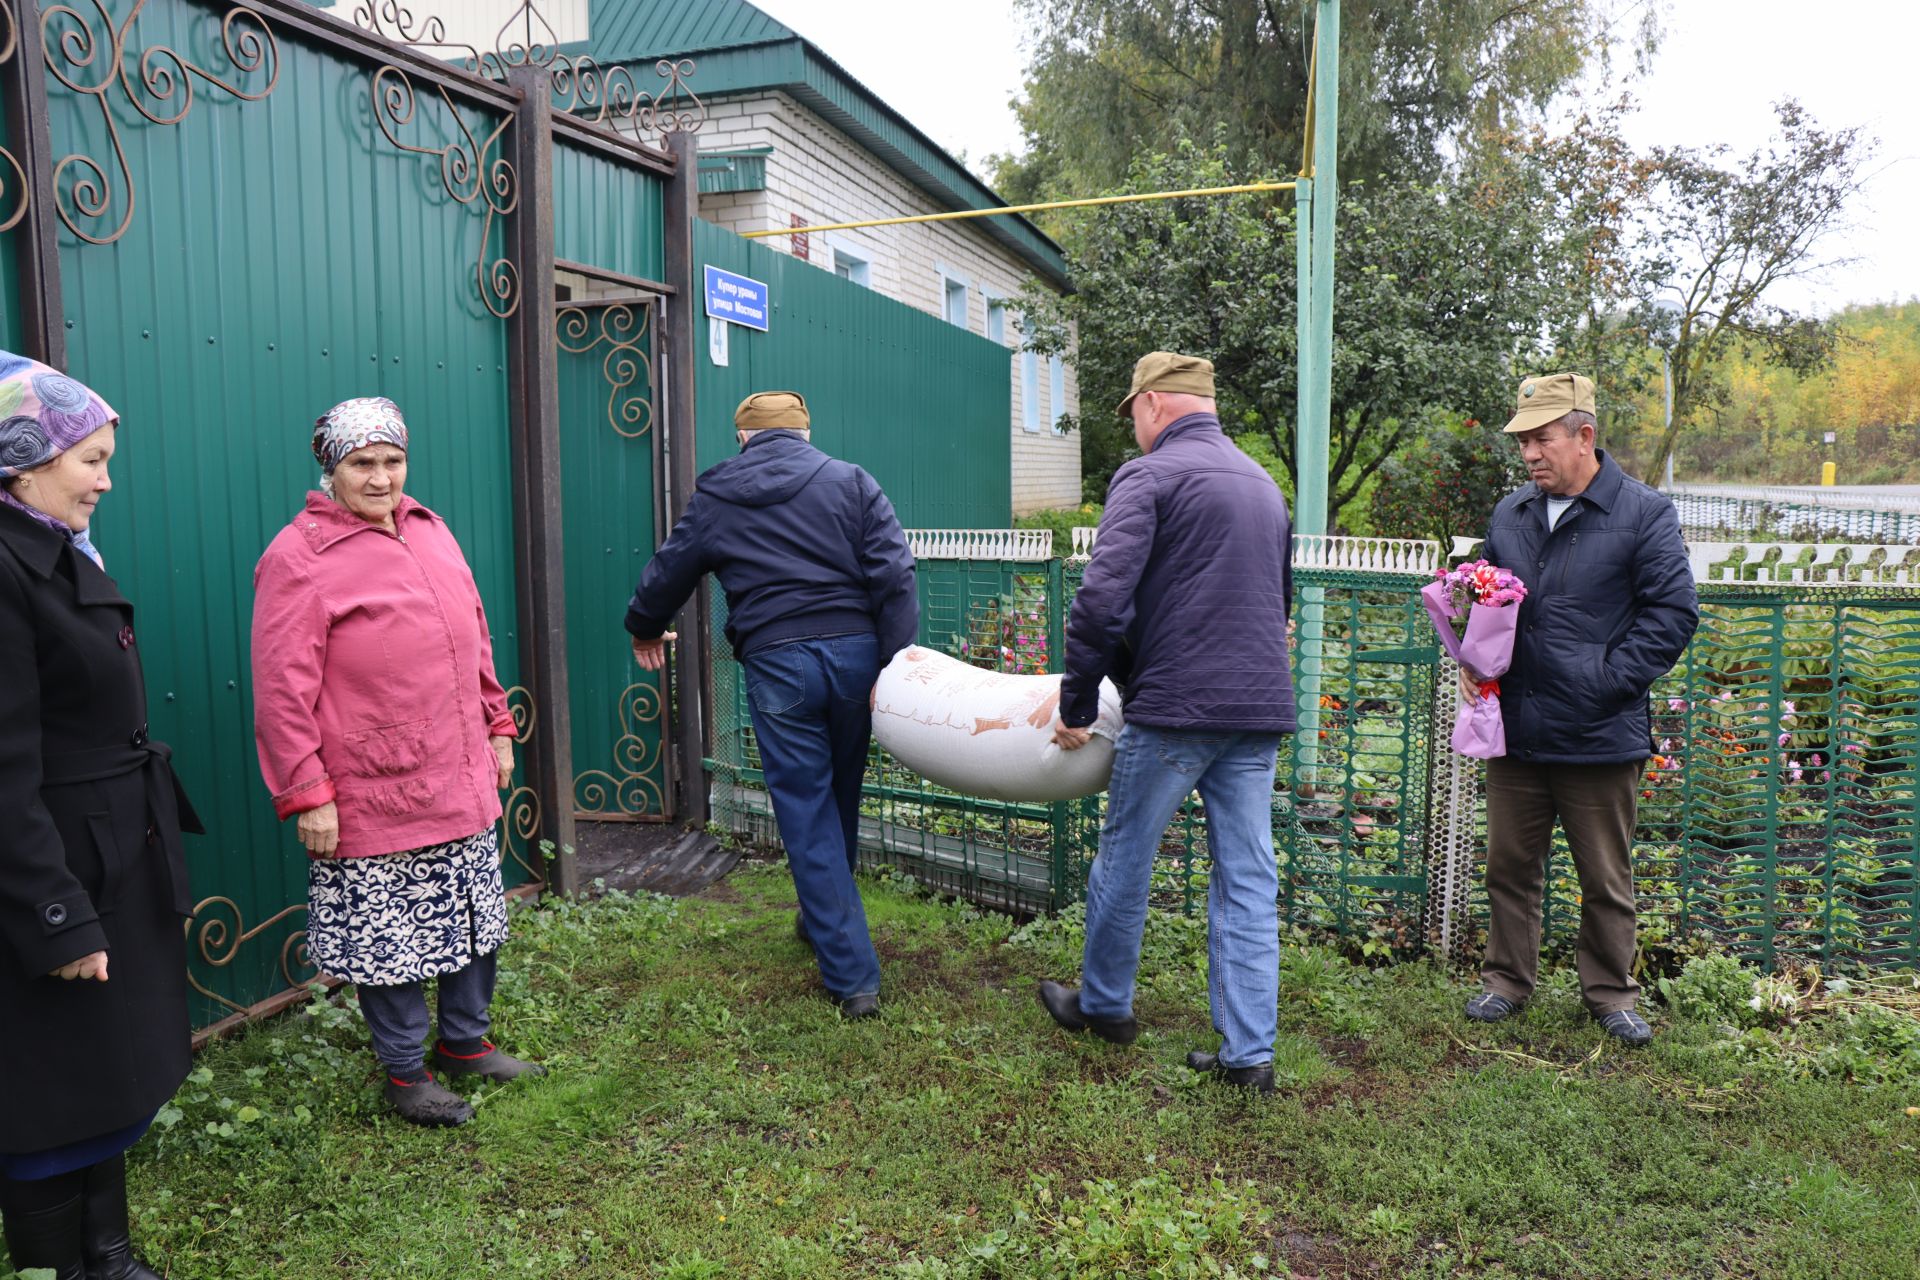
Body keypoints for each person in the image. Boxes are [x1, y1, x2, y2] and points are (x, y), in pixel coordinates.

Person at [251, 396, 543, 1127]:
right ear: (331, 470)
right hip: (373, 787)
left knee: (473, 916)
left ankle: (467, 1045)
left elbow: (471, 631)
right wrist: (306, 790)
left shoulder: (429, 528)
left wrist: (498, 724)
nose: (381, 479)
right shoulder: (299, 556)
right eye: (362, 464)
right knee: (392, 936)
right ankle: (406, 1073)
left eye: (392, 461)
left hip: (456, 767)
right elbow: (281, 690)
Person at [1036, 352, 1296, 1093]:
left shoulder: (1148, 477)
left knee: (1126, 854)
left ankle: (1106, 1006)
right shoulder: (1262, 483)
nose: (1134, 429)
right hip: (1257, 708)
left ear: (1152, 404)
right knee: (1248, 877)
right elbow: (1276, 605)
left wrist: (1079, 703)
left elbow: (1101, 601)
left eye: (1133, 414)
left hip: (1178, 708)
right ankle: (1249, 1056)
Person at [0, 352, 201, 1280]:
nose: (107, 479)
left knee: (104, 1067)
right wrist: (55, 914)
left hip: (106, 852)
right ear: (24, 461)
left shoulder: (55, 549)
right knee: (53, 1088)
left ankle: (109, 1256)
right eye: (91, 459)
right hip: (50, 871)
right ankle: (64, 1269)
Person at [625, 391, 916, 1018]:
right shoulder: (852, 482)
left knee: (807, 809)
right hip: (857, 657)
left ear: (743, 439)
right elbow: (894, 575)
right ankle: (824, 924)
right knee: (838, 793)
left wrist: (644, 625)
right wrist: (896, 665)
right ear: (806, 434)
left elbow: (669, 570)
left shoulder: (718, 495)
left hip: (781, 663)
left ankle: (852, 977)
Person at [1463, 372, 1698, 1046]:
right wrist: (1470, 640)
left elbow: (1672, 614)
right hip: (1518, 727)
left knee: (1605, 874)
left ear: (1584, 436)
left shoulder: (1641, 512)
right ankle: (1505, 981)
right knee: (1510, 865)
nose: (1529, 454)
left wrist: (1604, 683)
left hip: (1599, 732)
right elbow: (1486, 594)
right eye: (1523, 443)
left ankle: (1611, 993)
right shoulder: (1511, 514)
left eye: (1541, 440)